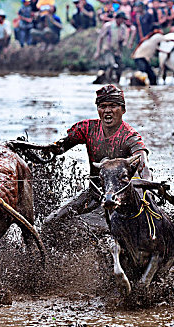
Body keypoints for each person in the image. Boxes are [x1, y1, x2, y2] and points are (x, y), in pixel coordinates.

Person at [43, 84, 152, 227]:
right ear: (98, 109)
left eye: (113, 106)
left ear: (123, 110)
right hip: (94, 192)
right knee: (50, 222)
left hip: (119, 198)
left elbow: (143, 164)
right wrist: (48, 149)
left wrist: (148, 187)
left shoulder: (130, 137)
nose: (107, 111)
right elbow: (61, 147)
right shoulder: (87, 129)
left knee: (90, 227)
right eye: (102, 106)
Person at [94, 12, 130, 82]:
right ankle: (108, 82)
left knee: (120, 67)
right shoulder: (108, 26)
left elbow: (125, 39)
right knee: (111, 65)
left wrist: (124, 41)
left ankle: (117, 83)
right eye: (122, 19)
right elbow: (100, 38)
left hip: (117, 51)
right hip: (108, 50)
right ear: (118, 18)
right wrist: (98, 51)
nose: (123, 21)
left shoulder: (123, 27)